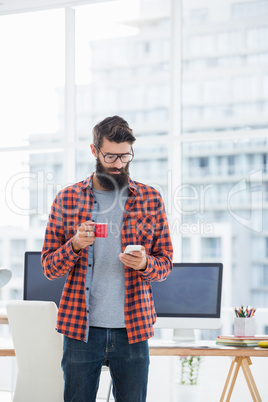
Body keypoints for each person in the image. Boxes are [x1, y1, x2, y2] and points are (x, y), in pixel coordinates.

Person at [41, 115, 173, 402]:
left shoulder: (150, 198)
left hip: (133, 329)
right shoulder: (67, 199)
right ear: (94, 151)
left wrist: (145, 264)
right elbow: (49, 267)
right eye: (111, 155)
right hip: (81, 329)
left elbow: (165, 265)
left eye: (125, 156)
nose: (118, 164)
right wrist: (74, 245)